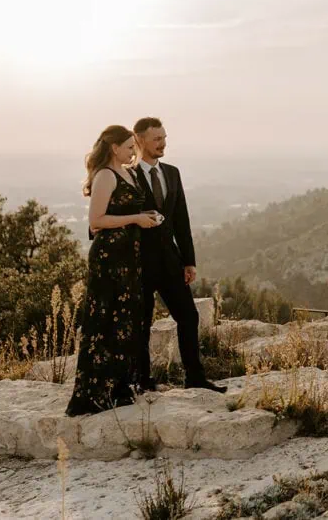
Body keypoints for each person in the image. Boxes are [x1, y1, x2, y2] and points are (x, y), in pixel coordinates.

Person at [67, 126, 159, 416]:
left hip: (128, 258)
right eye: (130, 146)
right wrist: (136, 219)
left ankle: (121, 388)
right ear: (114, 147)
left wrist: (147, 218)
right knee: (105, 322)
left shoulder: (128, 172)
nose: (134, 151)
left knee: (127, 320)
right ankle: (96, 392)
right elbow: (96, 221)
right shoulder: (106, 175)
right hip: (109, 259)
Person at [131, 117, 225, 393]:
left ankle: (195, 378)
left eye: (164, 138)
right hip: (140, 263)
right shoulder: (127, 175)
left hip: (171, 261)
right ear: (140, 140)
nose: (163, 144)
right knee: (141, 322)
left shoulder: (172, 173)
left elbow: (181, 220)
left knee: (188, 316)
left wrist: (189, 260)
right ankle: (143, 381)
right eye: (157, 139)